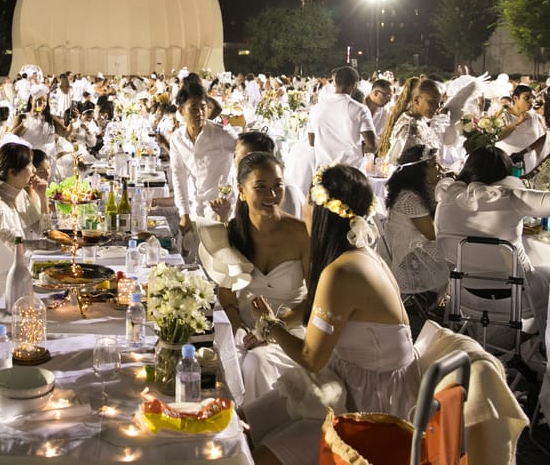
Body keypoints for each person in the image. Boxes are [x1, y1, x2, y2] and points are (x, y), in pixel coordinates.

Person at [241, 163, 420, 465]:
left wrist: (271, 328)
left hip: (370, 409)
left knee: (256, 458)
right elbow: (318, 308)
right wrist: (280, 322)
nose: (303, 209)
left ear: (321, 211)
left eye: (308, 201)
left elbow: (311, 358)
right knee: (240, 425)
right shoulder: (357, 255)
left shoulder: (343, 272)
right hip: (345, 384)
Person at [434, 145, 550, 329]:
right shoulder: (510, 198)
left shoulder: (446, 200)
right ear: (505, 174)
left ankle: (524, 336)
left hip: (465, 295)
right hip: (519, 296)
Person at [201, 151, 310, 404]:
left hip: (290, 330)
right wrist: (240, 328)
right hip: (244, 331)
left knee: (256, 362)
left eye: (278, 186)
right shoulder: (232, 233)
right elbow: (227, 296)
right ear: (241, 190)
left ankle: (257, 426)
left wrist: (272, 328)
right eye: (260, 187)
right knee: (221, 360)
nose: (271, 195)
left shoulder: (302, 233)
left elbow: (315, 298)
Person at [381, 144, 450, 336]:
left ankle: (445, 304)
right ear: (420, 170)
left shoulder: (419, 192)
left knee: (458, 253)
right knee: (458, 257)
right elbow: (433, 234)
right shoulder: (409, 197)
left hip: (416, 251)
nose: (440, 169)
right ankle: (445, 306)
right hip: (410, 260)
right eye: (434, 165)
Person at [169, 77, 237, 259]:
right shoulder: (177, 138)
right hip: (195, 207)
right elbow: (178, 176)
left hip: (220, 209)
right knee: (192, 259)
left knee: (220, 261)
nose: (199, 113)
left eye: (203, 107)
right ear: (181, 111)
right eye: (193, 108)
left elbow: (245, 153)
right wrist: (184, 212)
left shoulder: (222, 134)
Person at [0, 139, 50, 290]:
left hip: (20, 270)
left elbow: (43, 231)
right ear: (12, 172)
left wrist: (43, 197)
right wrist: (52, 245)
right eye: (29, 165)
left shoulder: (20, 194)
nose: (34, 170)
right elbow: (16, 246)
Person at [305, 65, 376, 169]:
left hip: (324, 170)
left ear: (335, 83)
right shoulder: (360, 109)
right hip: (351, 170)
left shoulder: (315, 108)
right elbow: (372, 146)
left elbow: (312, 142)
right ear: (355, 84)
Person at [377, 76, 443, 164]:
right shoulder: (408, 129)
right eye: (431, 102)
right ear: (416, 100)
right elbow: (395, 164)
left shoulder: (419, 120)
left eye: (439, 102)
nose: (438, 107)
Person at [495, 84, 545, 165]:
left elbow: (540, 142)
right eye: (526, 98)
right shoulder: (503, 115)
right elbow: (497, 137)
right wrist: (517, 123)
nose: (531, 101)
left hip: (530, 163)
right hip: (506, 162)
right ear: (515, 98)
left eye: (533, 98)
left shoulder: (536, 117)